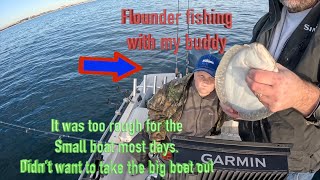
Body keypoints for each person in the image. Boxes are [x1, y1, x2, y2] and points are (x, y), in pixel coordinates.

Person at [220, 0, 320, 179]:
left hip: (295, 165)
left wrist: (303, 97)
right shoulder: (266, 22)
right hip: (252, 152)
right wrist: (232, 99)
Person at [146, 54, 227, 143]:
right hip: (172, 139)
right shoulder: (173, 88)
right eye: (201, 76)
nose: (205, 82)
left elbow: (237, 113)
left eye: (211, 77)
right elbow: (155, 111)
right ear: (194, 74)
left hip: (202, 141)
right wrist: (157, 140)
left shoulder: (224, 96)